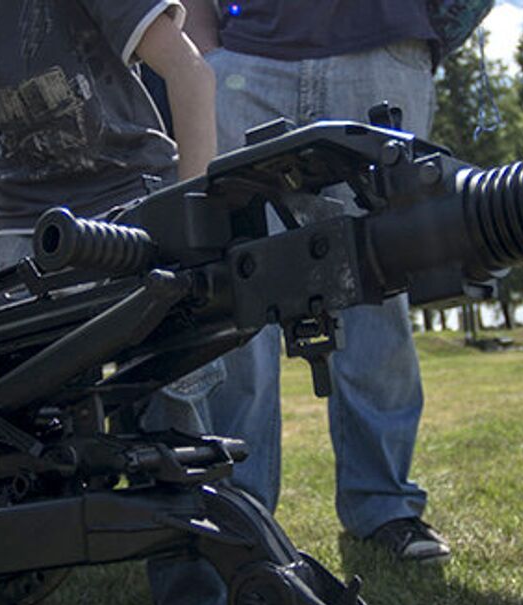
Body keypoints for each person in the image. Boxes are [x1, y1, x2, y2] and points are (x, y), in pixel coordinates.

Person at [0, 0, 246, 605]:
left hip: (134, 197)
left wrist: (193, 228)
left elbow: (191, 75)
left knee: (168, 401)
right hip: (27, 222)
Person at [181, 1, 452, 565]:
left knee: (380, 279)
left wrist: (423, 41)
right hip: (246, 61)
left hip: (385, 50)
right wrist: (211, 53)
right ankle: (238, 511)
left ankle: (384, 505)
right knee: (237, 289)